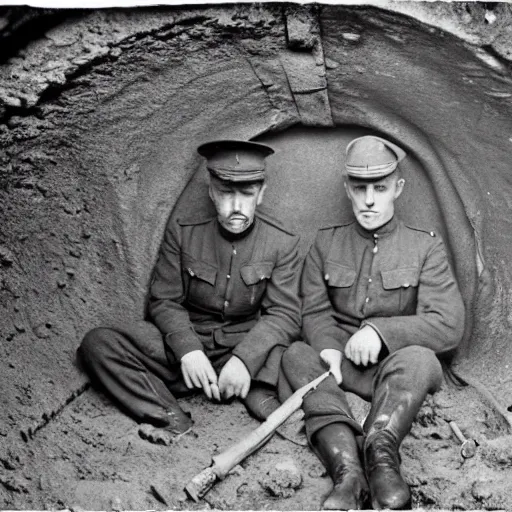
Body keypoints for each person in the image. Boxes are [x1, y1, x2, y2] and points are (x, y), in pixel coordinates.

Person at [280, 135, 465, 510]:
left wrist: (381, 333)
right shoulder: (325, 243)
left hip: (394, 370)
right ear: (347, 189)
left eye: (379, 188)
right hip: (341, 367)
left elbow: (447, 324)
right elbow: (313, 310)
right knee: (296, 354)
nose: (369, 199)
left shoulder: (424, 246)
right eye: (360, 187)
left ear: (397, 189)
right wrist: (329, 348)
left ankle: (381, 456)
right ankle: (348, 472)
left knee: (422, 360)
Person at [78, 140, 301, 445]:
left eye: (246, 194)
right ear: (211, 191)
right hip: (188, 347)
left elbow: (284, 314)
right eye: (225, 193)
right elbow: (164, 300)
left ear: (261, 194)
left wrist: (245, 360)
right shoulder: (184, 232)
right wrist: (188, 351)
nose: (236, 206)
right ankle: (169, 416)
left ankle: (259, 396)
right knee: (99, 343)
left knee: (295, 357)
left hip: (244, 345)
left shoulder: (282, 241)